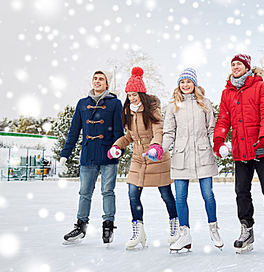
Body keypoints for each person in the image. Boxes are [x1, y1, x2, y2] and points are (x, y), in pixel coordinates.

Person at [213, 53, 264, 253]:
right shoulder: (227, 92)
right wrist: (218, 140)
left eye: (239, 64)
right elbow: (223, 119)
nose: (235, 67)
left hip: (262, 148)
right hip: (240, 150)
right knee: (241, 192)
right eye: (233, 64)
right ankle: (247, 229)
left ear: (247, 67)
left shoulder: (261, 87)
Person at [108, 67, 179, 250]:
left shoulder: (152, 110)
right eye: (129, 94)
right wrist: (117, 146)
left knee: (166, 194)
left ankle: (175, 226)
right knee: (133, 194)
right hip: (138, 158)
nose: (132, 98)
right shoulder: (128, 112)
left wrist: (156, 146)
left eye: (135, 94)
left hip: (157, 157)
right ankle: (138, 232)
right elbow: (130, 137)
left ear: (141, 93)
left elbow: (158, 131)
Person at [60, 70, 124, 246]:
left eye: (101, 79)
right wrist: (65, 154)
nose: (97, 81)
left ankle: (108, 226)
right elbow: (74, 131)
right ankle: (80, 227)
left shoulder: (115, 103)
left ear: (107, 84)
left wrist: (118, 149)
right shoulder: (82, 104)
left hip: (108, 155)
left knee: (107, 191)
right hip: (88, 155)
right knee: (84, 193)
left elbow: (119, 131)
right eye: (95, 79)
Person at [162, 68, 224, 252]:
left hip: (203, 154)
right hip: (181, 156)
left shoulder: (204, 103)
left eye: (188, 82)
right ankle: (184, 234)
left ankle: (214, 229)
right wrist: (160, 148)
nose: (185, 85)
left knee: (208, 195)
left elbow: (212, 129)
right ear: (178, 85)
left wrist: (218, 145)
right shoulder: (173, 105)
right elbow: (168, 133)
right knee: (180, 197)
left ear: (194, 84)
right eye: (182, 82)